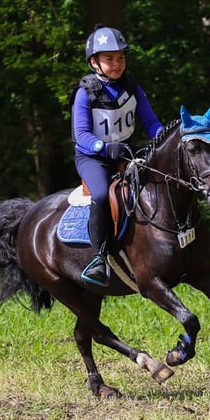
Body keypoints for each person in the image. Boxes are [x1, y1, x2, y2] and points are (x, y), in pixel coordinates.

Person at [71, 24, 164, 286]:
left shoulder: (131, 85)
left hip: (125, 152)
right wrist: (104, 148)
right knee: (101, 194)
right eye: (109, 59)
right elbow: (82, 135)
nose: (117, 63)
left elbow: (151, 122)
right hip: (93, 158)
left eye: (121, 57)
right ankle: (99, 259)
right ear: (94, 62)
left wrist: (163, 138)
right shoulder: (84, 92)